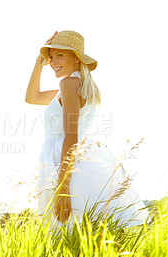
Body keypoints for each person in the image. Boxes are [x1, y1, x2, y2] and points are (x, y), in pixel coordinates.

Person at [25, 30, 149, 228]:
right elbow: (32, 98)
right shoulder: (76, 86)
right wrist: (38, 62)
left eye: (60, 55)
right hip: (76, 160)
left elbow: (70, 136)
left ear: (76, 59)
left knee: (68, 232)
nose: (53, 62)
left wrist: (63, 186)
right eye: (51, 56)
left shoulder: (68, 84)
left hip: (67, 164)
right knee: (87, 231)